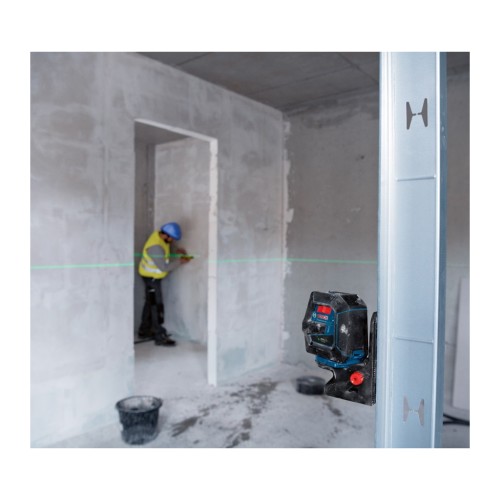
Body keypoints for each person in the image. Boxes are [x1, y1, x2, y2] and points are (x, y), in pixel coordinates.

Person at [137, 222, 191, 346]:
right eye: (172, 238)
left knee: (150, 303)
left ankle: (144, 330)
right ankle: (160, 336)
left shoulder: (160, 237)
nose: (172, 241)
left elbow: (163, 254)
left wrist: (176, 253)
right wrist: (180, 261)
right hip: (152, 279)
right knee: (156, 306)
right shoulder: (155, 246)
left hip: (150, 277)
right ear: (166, 235)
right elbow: (163, 267)